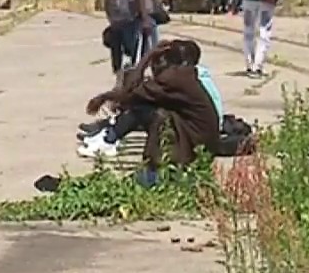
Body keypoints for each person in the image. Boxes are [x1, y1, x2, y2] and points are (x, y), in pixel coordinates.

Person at [79, 41, 221, 174]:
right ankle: (111, 139)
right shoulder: (186, 76)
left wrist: (146, 58)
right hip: (200, 141)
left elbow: (129, 92)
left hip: (196, 144)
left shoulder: (175, 78)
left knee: (148, 113)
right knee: (149, 108)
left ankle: (110, 141)